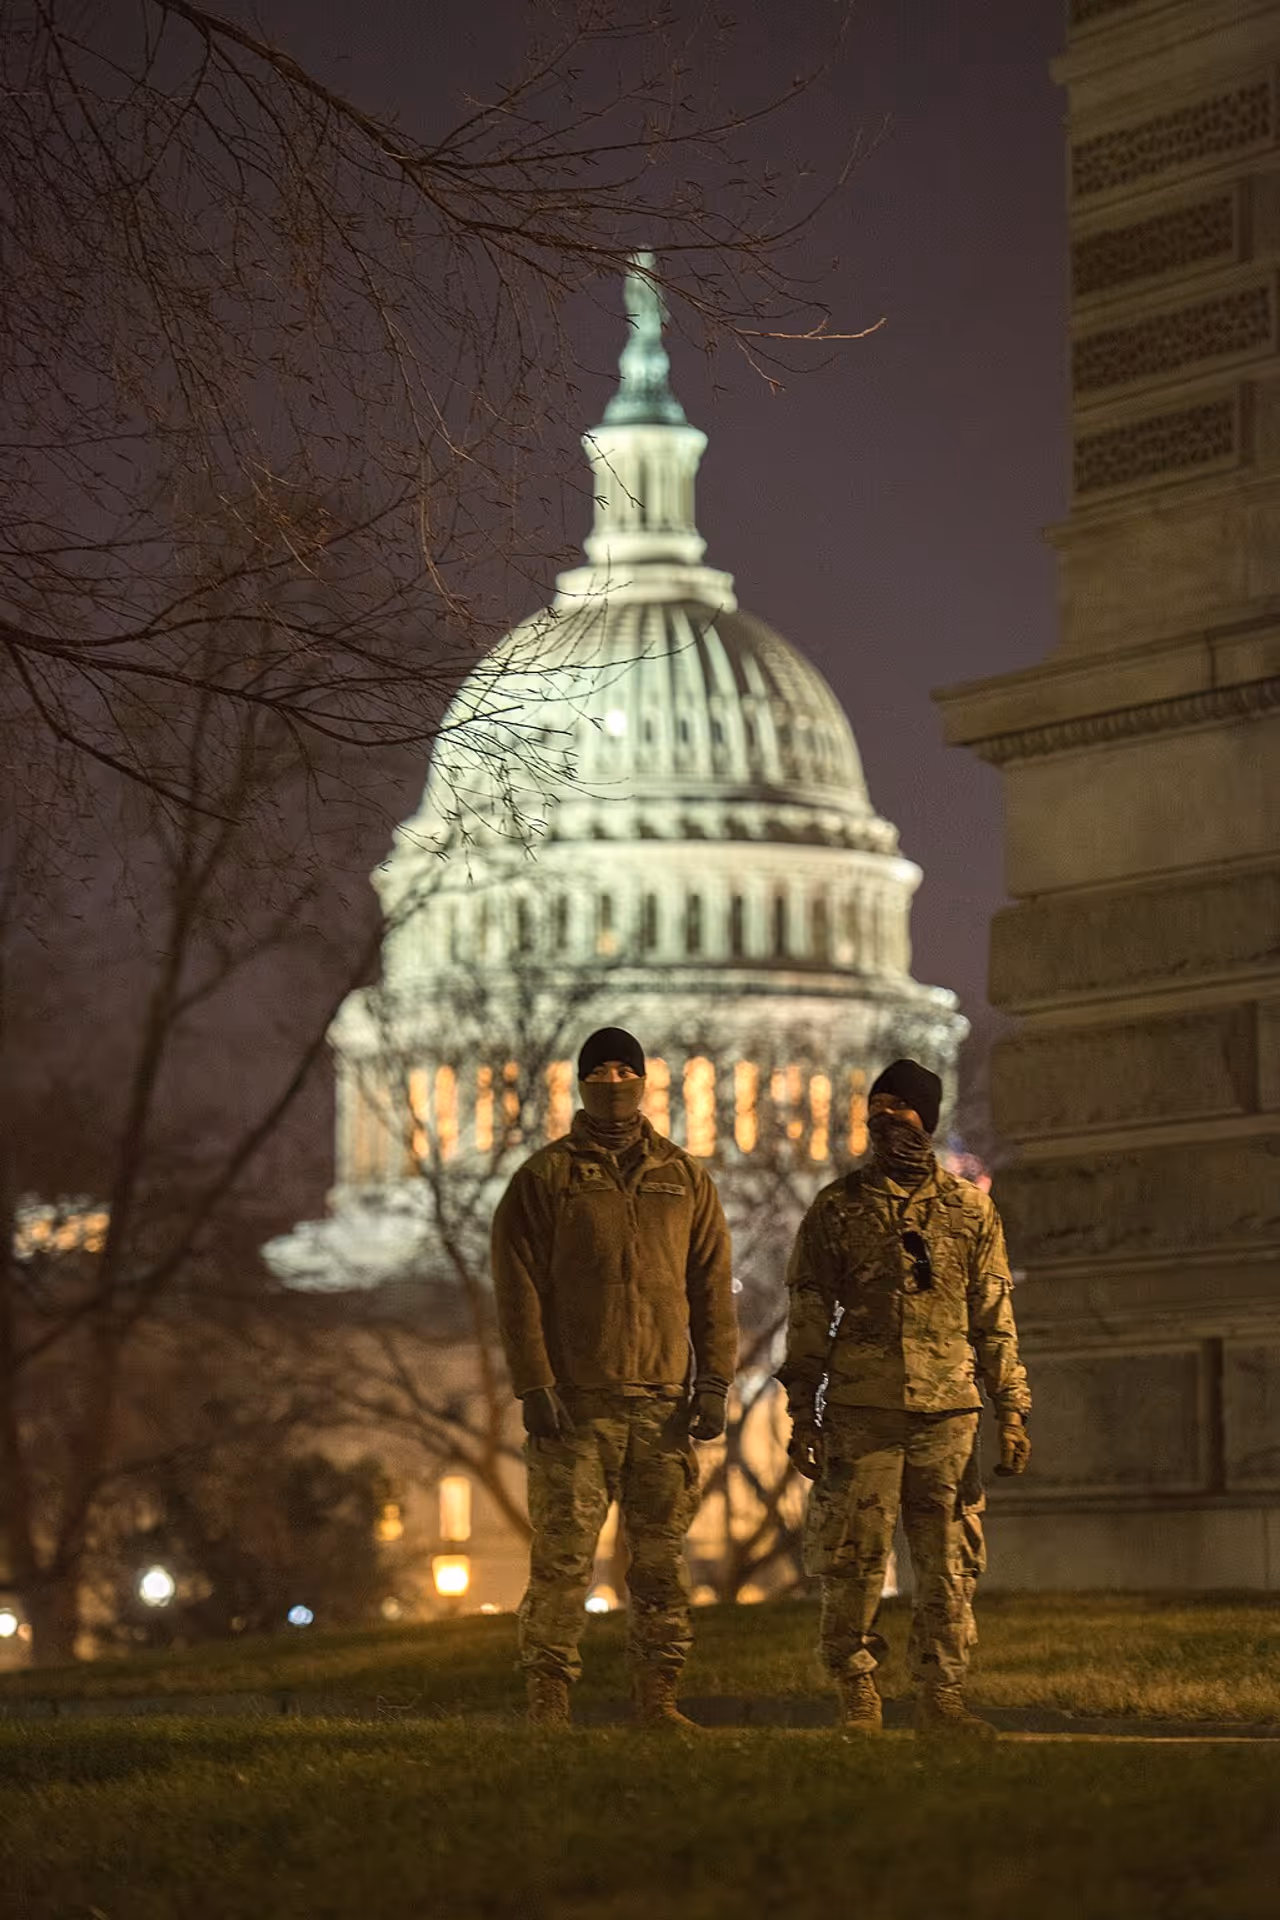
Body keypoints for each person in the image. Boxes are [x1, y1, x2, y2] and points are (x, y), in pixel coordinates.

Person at [491, 1026, 736, 1729]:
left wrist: (714, 1380)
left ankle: (659, 1696)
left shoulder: (684, 1178)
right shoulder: (545, 1177)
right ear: (580, 1082)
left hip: (662, 1406)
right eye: (599, 1068)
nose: (613, 1079)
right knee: (564, 1563)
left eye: (624, 1067)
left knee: (660, 1563)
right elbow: (518, 1290)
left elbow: (713, 1287)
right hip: (576, 1406)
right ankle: (549, 1698)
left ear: (644, 1080)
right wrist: (534, 1385)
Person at [778, 1058, 1031, 1738]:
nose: (887, 1118)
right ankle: (858, 1693)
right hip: (863, 1413)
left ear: (930, 1117)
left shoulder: (972, 1212)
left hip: (948, 1415)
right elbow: (807, 1313)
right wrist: (802, 1408)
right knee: (853, 1562)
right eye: (878, 1107)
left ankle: (940, 1697)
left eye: (902, 1107)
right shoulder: (837, 1208)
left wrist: (1011, 1408)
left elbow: (993, 1318)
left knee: (949, 1566)